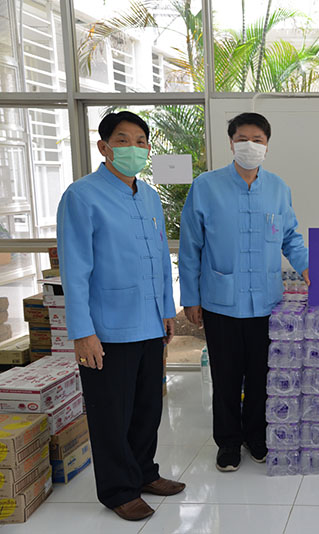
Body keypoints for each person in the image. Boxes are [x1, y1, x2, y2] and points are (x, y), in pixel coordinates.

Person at [56, 111, 185, 521]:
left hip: (149, 322)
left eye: (141, 141)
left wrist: (167, 310)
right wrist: (82, 332)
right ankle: (117, 490)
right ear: (104, 147)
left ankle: (144, 473)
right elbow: (75, 270)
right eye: (124, 140)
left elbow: (160, 259)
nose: (134, 148)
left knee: (148, 408)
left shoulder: (148, 196)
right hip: (108, 328)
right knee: (111, 414)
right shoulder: (82, 196)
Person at [179, 112, 309, 472]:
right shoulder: (206, 187)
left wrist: (309, 268)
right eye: (242, 139)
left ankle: (256, 436)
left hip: (266, 302)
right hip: (221, 301)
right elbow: (190, 246)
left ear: (267, 146)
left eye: (258, 140)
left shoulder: (278, 188)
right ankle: (228, 443)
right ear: (231, 142)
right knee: (225, 377)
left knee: (260, 376)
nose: (250, 146)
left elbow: (290, 238)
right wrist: (190, 298)